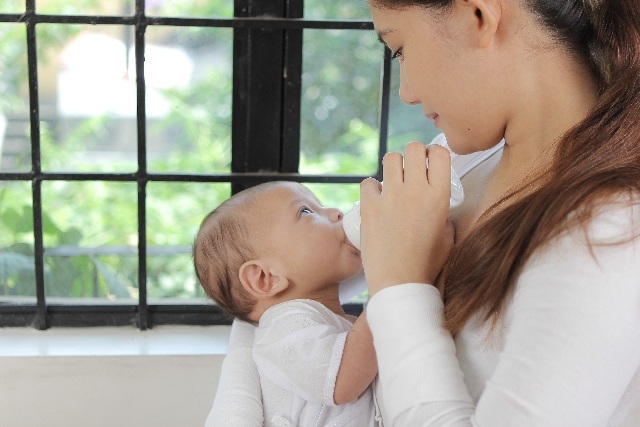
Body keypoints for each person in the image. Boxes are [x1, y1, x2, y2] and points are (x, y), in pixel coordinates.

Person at [206, 0, 640, 425]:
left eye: (399, 48)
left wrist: (400, 286)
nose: (406, 92)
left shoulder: (611, 233)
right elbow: (283, 294)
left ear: (478, 16)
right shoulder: (459, 159)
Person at [193, 181, 382, 426]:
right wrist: (388, 285)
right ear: (265, 278)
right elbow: (342, 382)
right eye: (306, 211)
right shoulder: (284, 327)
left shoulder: (320, 317)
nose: (336, 212)